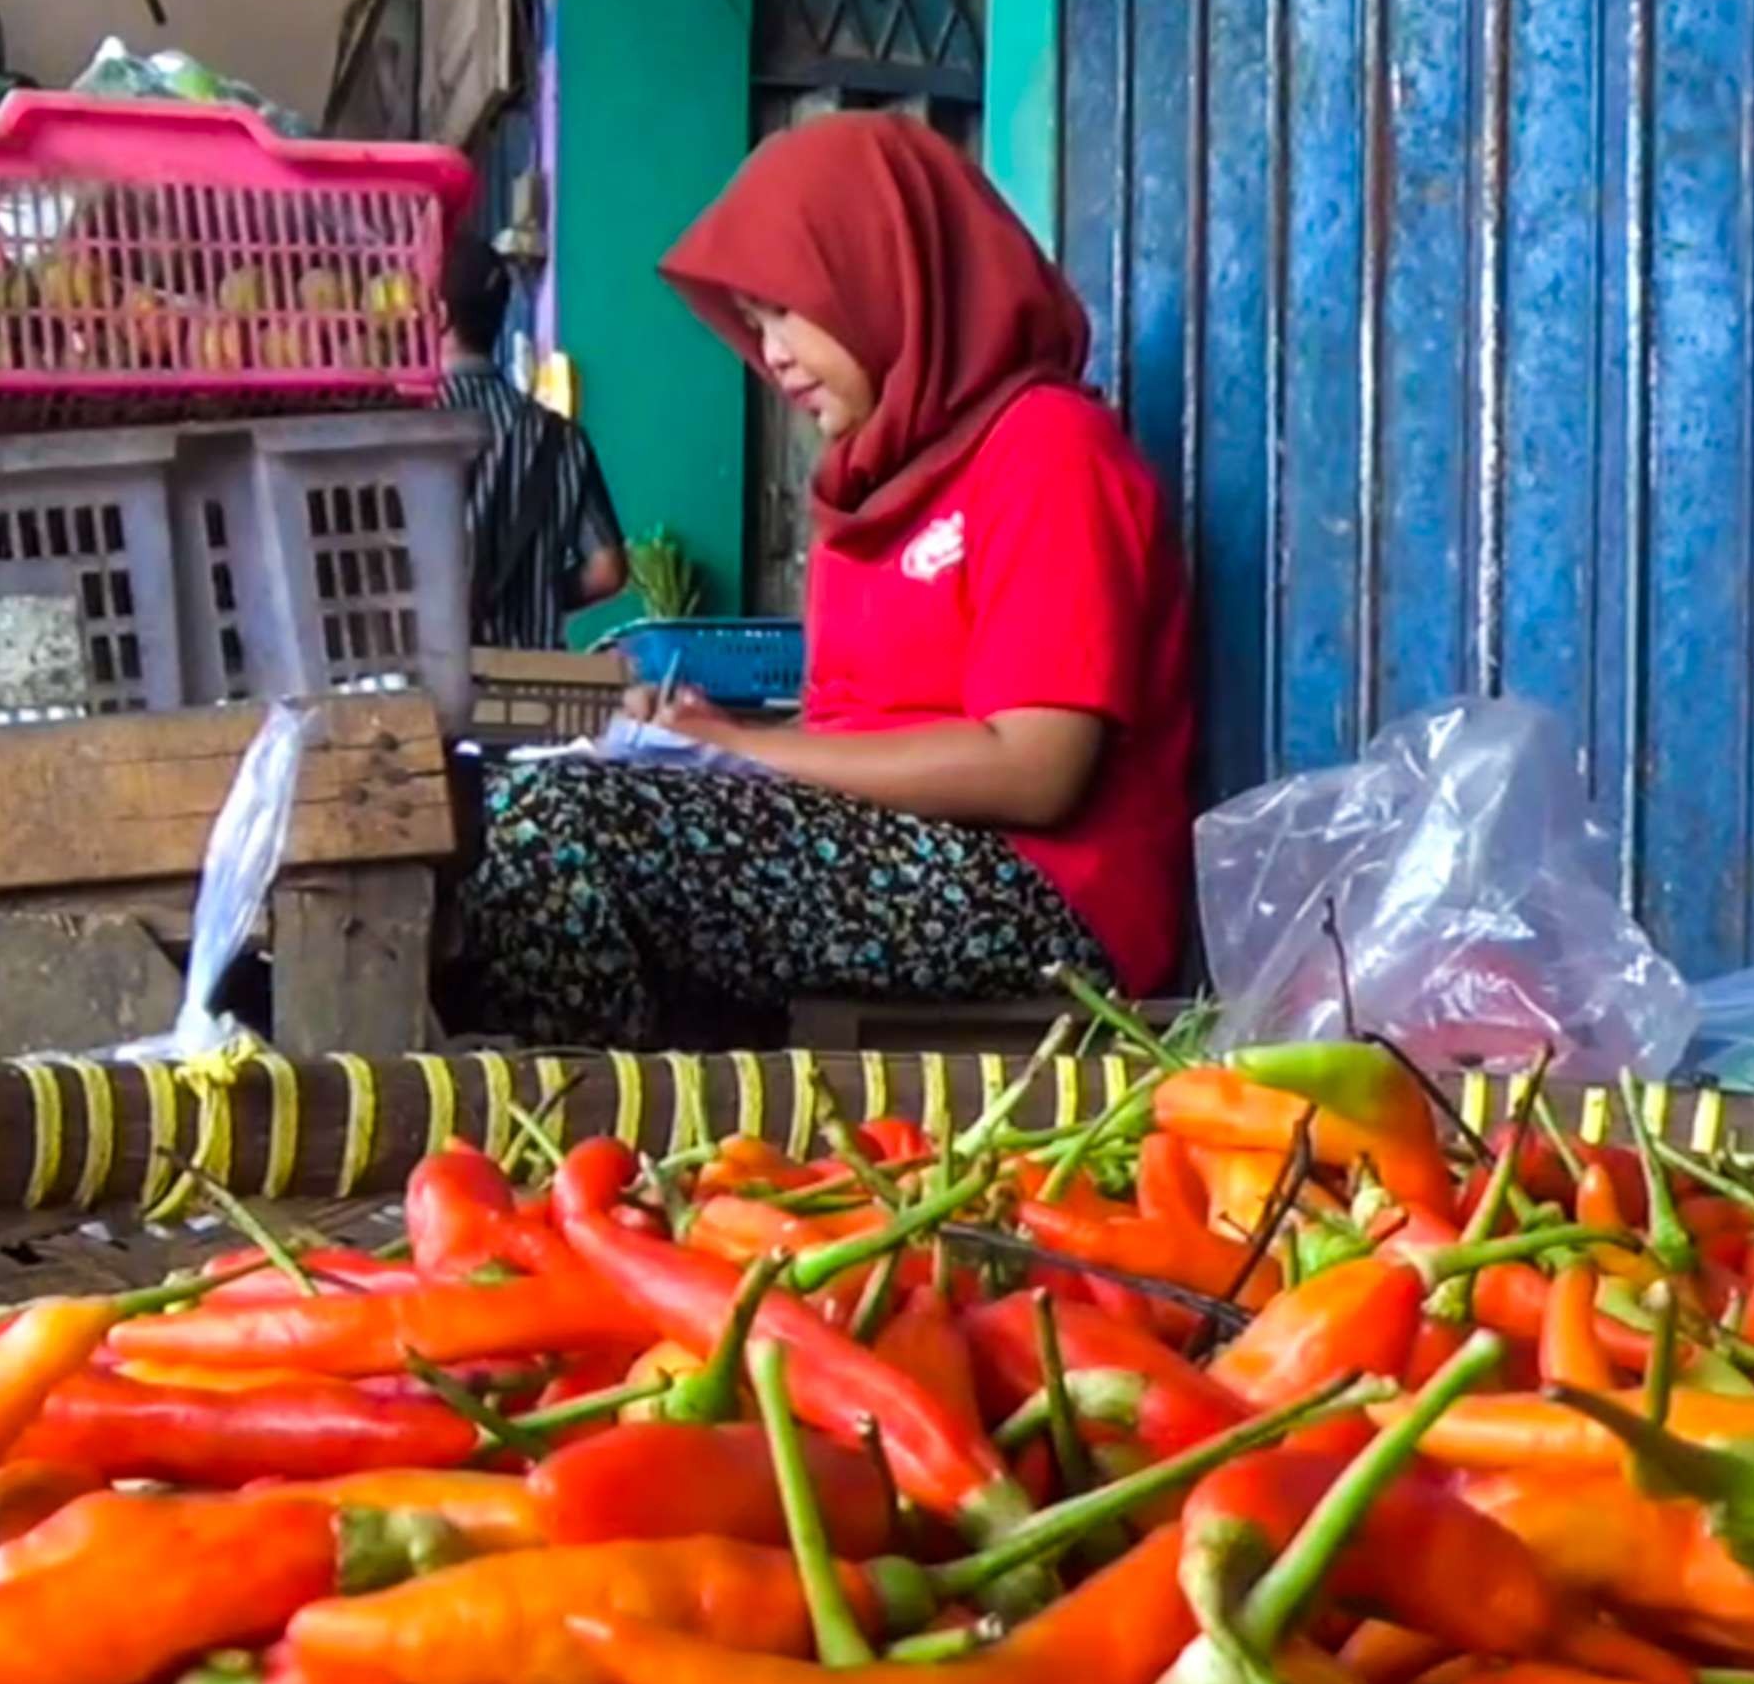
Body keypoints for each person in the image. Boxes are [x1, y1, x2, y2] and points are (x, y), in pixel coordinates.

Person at [439, 113, 1196, 1049]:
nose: (773, 354)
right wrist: (700, 742)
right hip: (890, 853)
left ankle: (583, 1138)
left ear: (887, 271)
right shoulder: (868, 484)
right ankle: (614, 1131)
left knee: (554, 829)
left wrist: (745, 752)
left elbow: (1036, 769)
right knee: (484, 813)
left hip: (1041, 891)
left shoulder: (1047, 453)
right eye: (755, 326)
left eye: (788, 309)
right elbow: (855, 735)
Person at [439, 230, 626, 651]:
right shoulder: (561, 437)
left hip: (426, 683)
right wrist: (536, 595)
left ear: (437, 316)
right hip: (532, 685)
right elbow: (607, 569)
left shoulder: (403, 427)